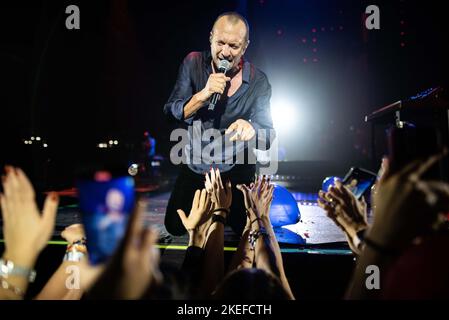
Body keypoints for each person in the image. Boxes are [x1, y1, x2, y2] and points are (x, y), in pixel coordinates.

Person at [163, 12, 275, 236]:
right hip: (196, 165)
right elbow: (170, 112)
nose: (225, 52)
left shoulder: (258, 81)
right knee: (174, 226)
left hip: (236, 168)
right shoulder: (193, 62)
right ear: (211, 38)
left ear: (244, 47)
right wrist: (201, 96)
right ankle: (209, 211)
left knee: (243, 229)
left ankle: (220, 212)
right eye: (220, 43)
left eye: (233, 46)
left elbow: (268, 136)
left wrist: (252, 128)